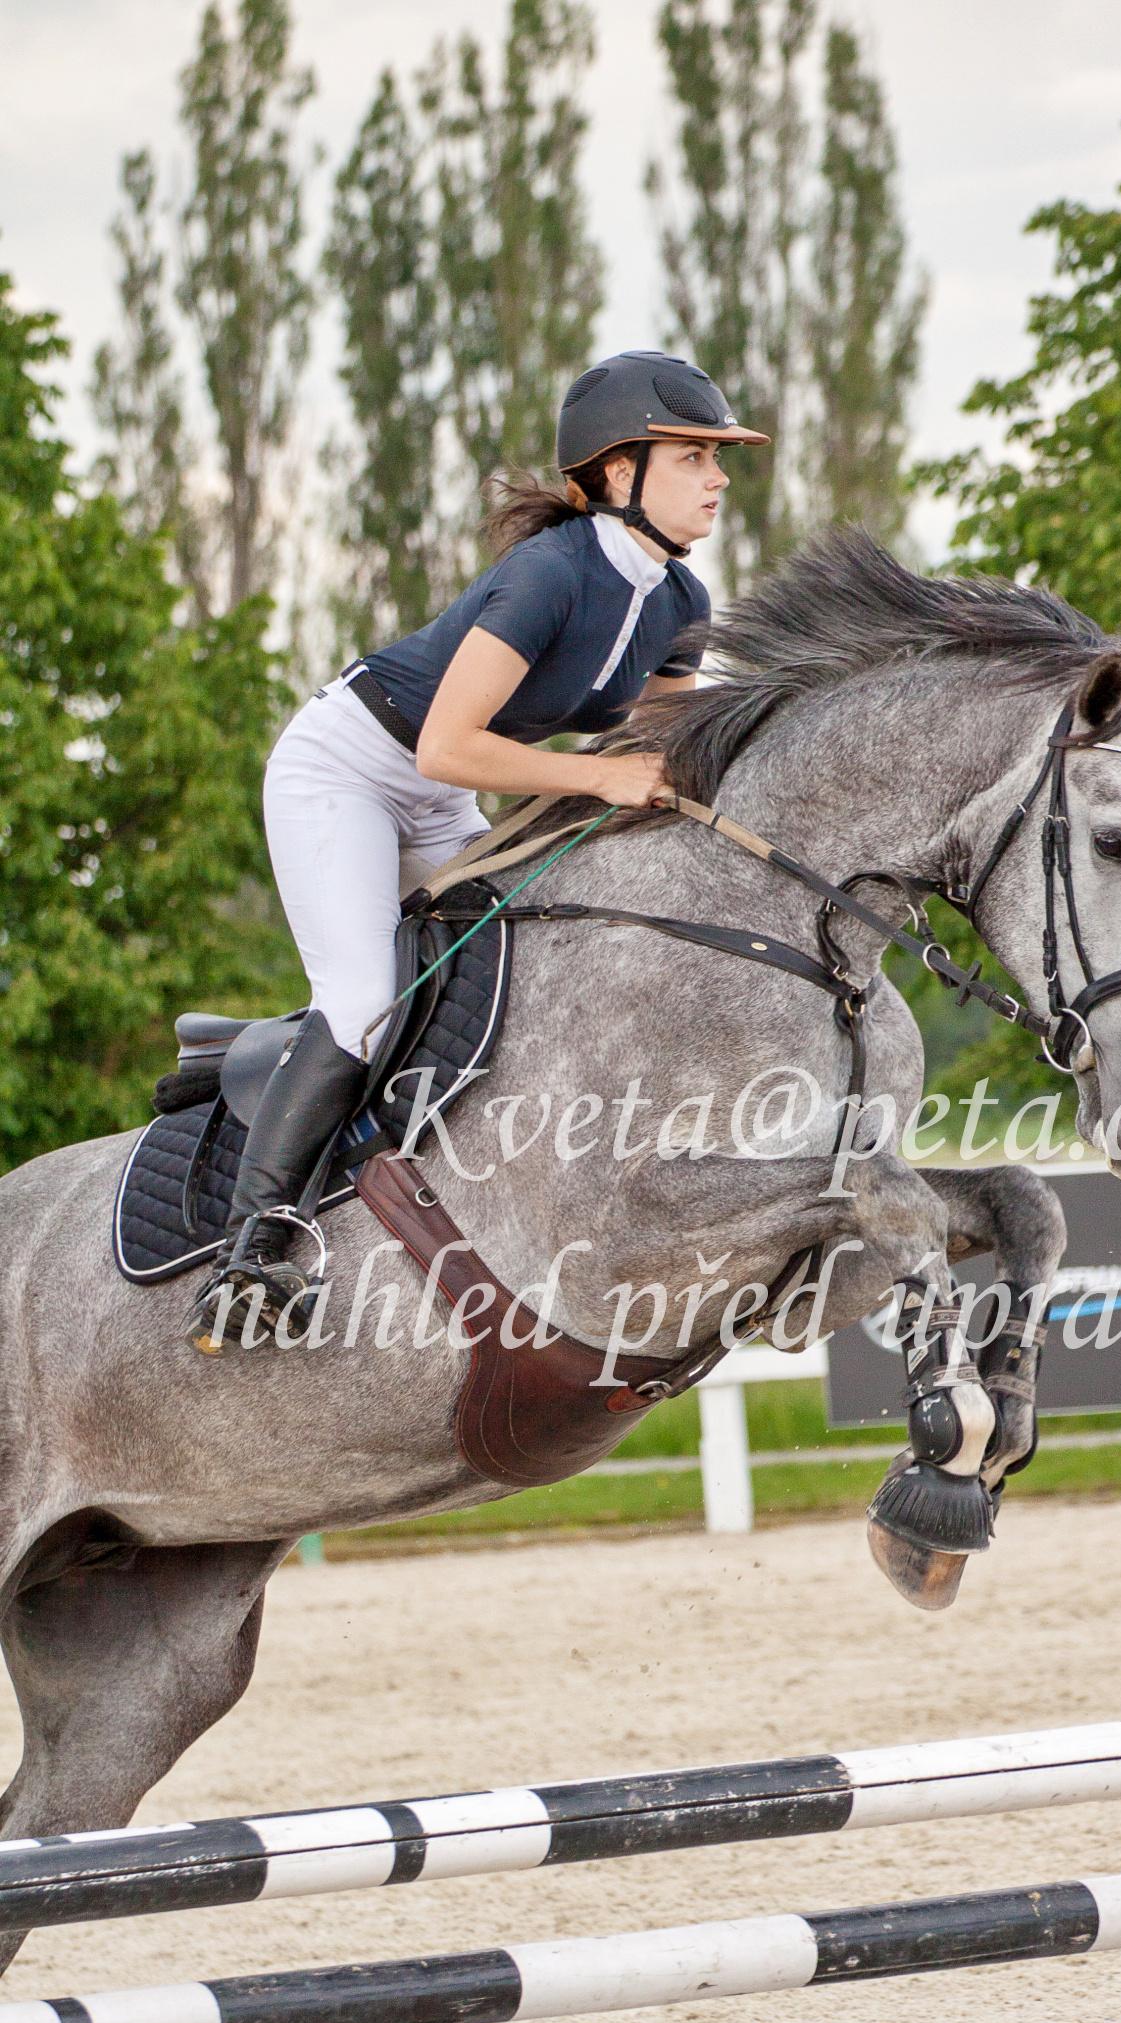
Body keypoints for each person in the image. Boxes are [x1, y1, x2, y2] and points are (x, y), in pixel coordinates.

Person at [185, 350, 768, 1355]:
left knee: (519, 964)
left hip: (437, 792)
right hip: (348, 767)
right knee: (364, 1000)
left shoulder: (680, 602)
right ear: (618, 472)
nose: (717, 478)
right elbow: (446, 746)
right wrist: (596, 779)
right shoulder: (551, 573)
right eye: (693, 457)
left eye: (718, 458)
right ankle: (256, 1244)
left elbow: (660, 753)